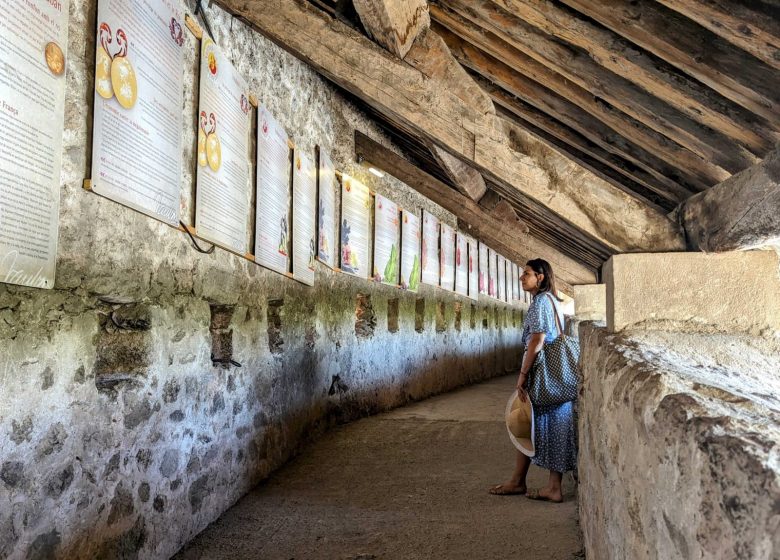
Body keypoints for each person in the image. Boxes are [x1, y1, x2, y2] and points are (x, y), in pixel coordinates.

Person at [489, 258, 577, 502]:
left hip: (545, 374)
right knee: (533, 422)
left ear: (540, 277)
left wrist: (523, 375)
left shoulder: (540, 302)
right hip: (558, 376)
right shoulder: (553, 301)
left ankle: (547, 487)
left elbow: (537, 341)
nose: (521, 277)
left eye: (526, 273)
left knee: (527, 421)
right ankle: (532, 482)